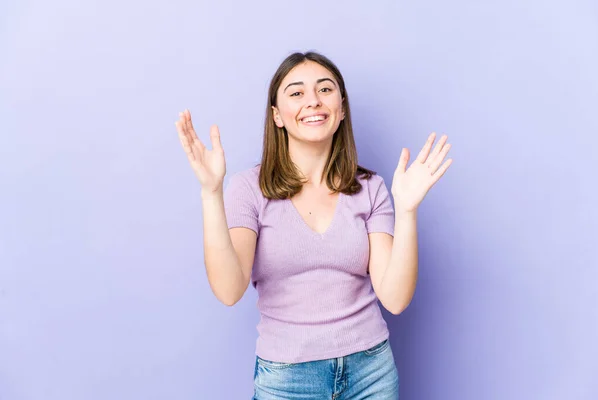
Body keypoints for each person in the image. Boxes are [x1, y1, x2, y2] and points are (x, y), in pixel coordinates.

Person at [175, 51, 452, 399]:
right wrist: (211, 192)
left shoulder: (371, 188)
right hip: (287, 380)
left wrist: (407, 210)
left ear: (342, 108)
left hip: (372, 374)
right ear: (277, 115)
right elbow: (229, 290)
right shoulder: (250, 189)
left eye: (325, 89)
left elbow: (395, 299)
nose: (313, 101)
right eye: (296, 93)